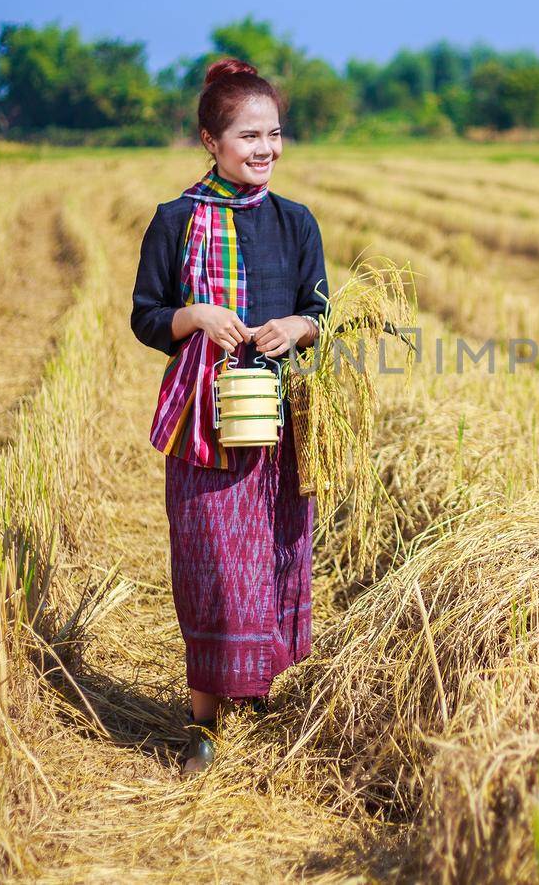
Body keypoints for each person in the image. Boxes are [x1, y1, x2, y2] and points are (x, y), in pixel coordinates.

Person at [129, 58, 329, 776]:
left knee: (275, 556)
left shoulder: (295, 221)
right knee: (213, 564)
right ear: (211, 140)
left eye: (275, 134)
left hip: (281, 424)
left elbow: (321, 309)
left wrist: (296, 329)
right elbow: (147, 316)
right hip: (206, 424)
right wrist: (195, 315)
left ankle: (259, 692)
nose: (266, 149)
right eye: (249, 136)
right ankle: (202, 723)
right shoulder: (177, 220)